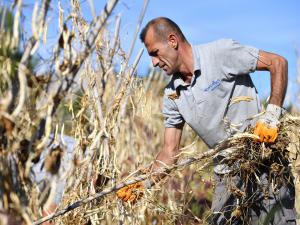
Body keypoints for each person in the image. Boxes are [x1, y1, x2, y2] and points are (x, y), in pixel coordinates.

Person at [116, 17, 296, 224]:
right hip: (227, 177)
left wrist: (272, 115)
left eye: (155, 53)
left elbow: (278, 63)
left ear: (172, 41)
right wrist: (142, 184)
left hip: (265, 163)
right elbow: (169, 152)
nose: (154, 63)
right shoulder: (173, 95)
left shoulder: (220, 53)